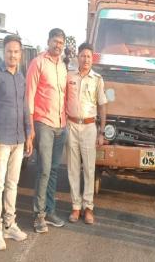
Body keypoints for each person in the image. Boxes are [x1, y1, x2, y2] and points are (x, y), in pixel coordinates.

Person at [0, 35, 32, 250]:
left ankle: (10, 224)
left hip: (19, 140)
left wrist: (29, 133)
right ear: (4, 52)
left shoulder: (21, 77)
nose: (13, 55)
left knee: (12, 184)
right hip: (1, 141)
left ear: (21, 54)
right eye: (9, 51)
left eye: (16, 52)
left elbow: (25, 108)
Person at [26, 28, 68, 233]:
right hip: (43, 123)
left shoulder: (62, 66)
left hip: (61, 125)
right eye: (55, 41)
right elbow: (29, 95)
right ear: (48, 41)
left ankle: (50, 211)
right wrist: (30, 128)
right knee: (43, 170)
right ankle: (38, 216)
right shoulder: (38, 63)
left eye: (61, 42)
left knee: (53, 171)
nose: (57, 45)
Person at [66, 42, 107, 224]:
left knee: (89, 169)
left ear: (93, 59)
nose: (85, 59)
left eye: (89, 56)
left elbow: (102, 105)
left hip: (90, 127)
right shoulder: (69, 76)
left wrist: (101, 132)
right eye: (82, 55)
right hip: (71, 125)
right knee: (73, 168)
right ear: (78, 57)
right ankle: (76, 207)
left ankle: (88, 207)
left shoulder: (97, 79)